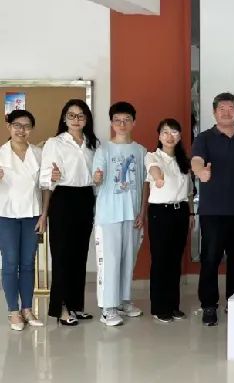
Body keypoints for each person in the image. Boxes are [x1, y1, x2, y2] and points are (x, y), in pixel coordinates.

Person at [192, 92, 234, 326]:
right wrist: (200, 171)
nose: (227, 112)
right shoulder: (204, 138)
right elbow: (196, 160)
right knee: (210, 259)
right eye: (222, 109)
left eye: (231, 108)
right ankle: (209, 305)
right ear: (214, 112)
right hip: (213, 211)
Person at [40, 99, 99, 326]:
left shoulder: (93, 144)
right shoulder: (55, 143)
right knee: (62, 255)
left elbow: (96, 175)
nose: (76, 119)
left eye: (80, 115)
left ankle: (76, 305)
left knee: (80, 254)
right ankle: (61, 308)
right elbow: (45, 177)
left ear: (86, 119)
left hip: (86, 198)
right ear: (64, 118)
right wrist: (51, 177)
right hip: (63, 198)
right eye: (71, 115)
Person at [92, 102, 148, 327]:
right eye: (117, 120)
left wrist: (142, 212)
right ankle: (108, 308)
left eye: (126, 120)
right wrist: (97, 178)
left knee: (128, 260)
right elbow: (96, 180)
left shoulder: (141, 151)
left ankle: (124, 301)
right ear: (111, 123)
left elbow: (144, 184)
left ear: (134, 122)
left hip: (132, 215)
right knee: (110, 262)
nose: (122, 124)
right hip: (109, 215)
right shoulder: (103, 150)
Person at [0, 110, 45, 330]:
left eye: (27, 126)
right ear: (9, 126)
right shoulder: (1, 154)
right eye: (17, 125)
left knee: (28, 263)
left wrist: (44, 215)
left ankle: (27, 309)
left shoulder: (38, 154)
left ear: (31, 129)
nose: (21, 130)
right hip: (6, 215)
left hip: (32, 214)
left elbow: (45, 186)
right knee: (10, 263)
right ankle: (13, 311)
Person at [146, 118, 194, 323]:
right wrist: (159, 179)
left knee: (175, 260)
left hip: (180, 211)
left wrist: (191, 214)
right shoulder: (152, 156)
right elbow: (154, 169)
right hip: (160, 212)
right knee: (160, 260)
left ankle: (174, 305)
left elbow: (189, 192)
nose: (169, 136)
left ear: (180, 136)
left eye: (174, 132)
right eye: (165, 132)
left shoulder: (184, 161)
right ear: (159, 136)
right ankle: (159, 307)